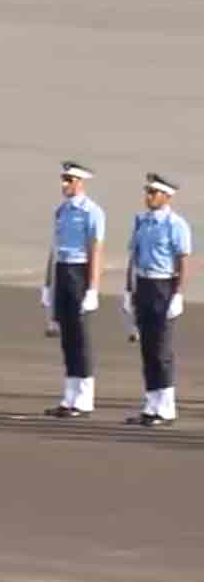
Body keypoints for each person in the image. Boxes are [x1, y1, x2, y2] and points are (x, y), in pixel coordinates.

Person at [123, 172, 192, 426]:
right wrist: (128, 290)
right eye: (147, 192)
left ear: (167, 196)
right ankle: (151, 405)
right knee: (147, 348)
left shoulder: (175, 225)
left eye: (153, 193)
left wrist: (178, 295)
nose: (148, 197)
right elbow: (134, 256)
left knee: (162, 349)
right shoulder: (142, 222)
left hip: (163, 284)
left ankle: (166, 408)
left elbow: (182, 261)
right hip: (143, 284)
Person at [41, 161, 105, 417]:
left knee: (80, 337)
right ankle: (70, 396)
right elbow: (54, 248)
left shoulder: (92, 212)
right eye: (63, 179)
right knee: (67, 337)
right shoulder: (61, 211)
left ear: (80, 182)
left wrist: (93, 288)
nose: (64, 184)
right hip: (62, 271)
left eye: (68, 180)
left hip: (80, 271)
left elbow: (96, 252)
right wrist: (48, 283)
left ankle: (85, 398)